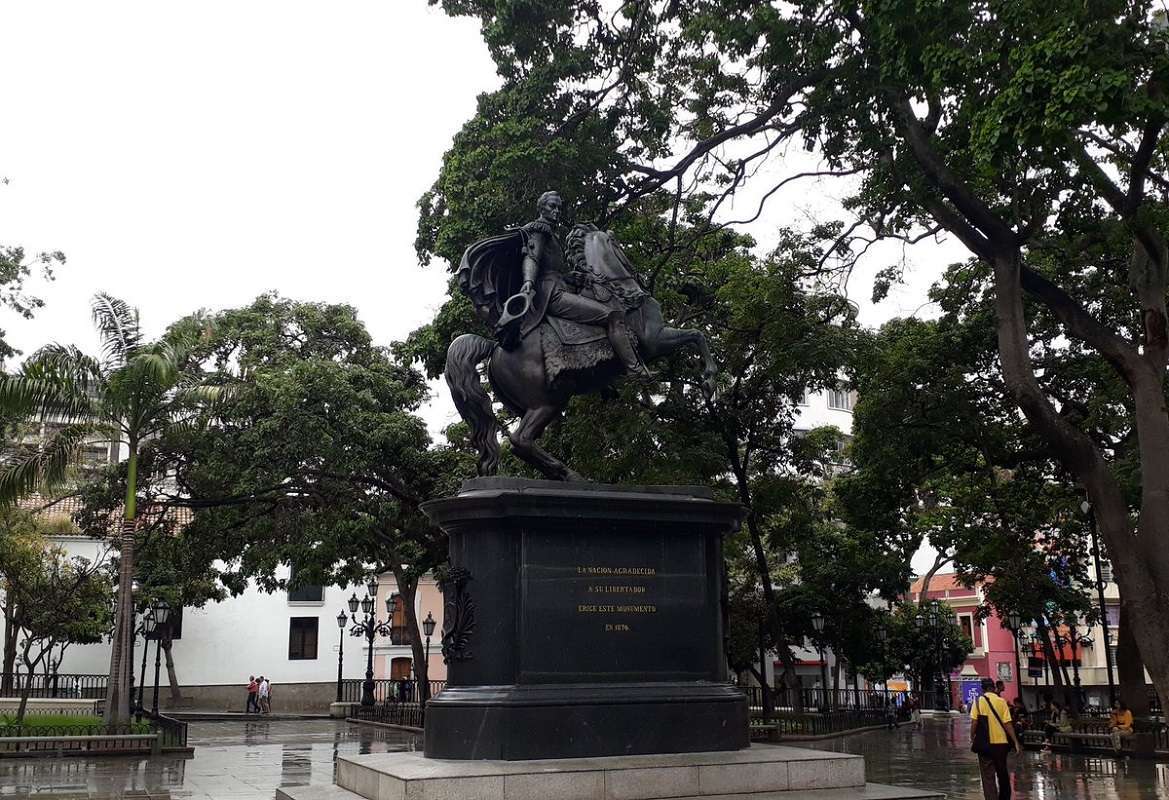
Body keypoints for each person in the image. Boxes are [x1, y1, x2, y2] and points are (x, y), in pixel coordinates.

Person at [970, 677, 1022, 800]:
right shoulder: (1001, 702)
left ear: (982, 689)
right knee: (1002, 773)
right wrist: (1015, 742)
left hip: (985, 745)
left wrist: (972, 736)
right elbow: (1007, 724)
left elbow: (974, 722)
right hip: (1001, 744)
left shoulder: (978, 702)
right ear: (993, 688)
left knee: (988, 777)